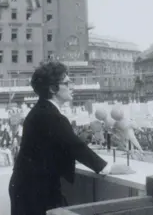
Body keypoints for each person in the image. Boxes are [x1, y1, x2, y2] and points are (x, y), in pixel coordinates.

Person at [8, 61, 134, 215]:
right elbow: (75, 146)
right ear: (53, 88)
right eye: (67, 83)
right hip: (35, 191)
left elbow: (63, 144)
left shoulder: (41, 111)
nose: (72, 86)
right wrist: (107, 168)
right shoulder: (51, 116)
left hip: (28, 187)